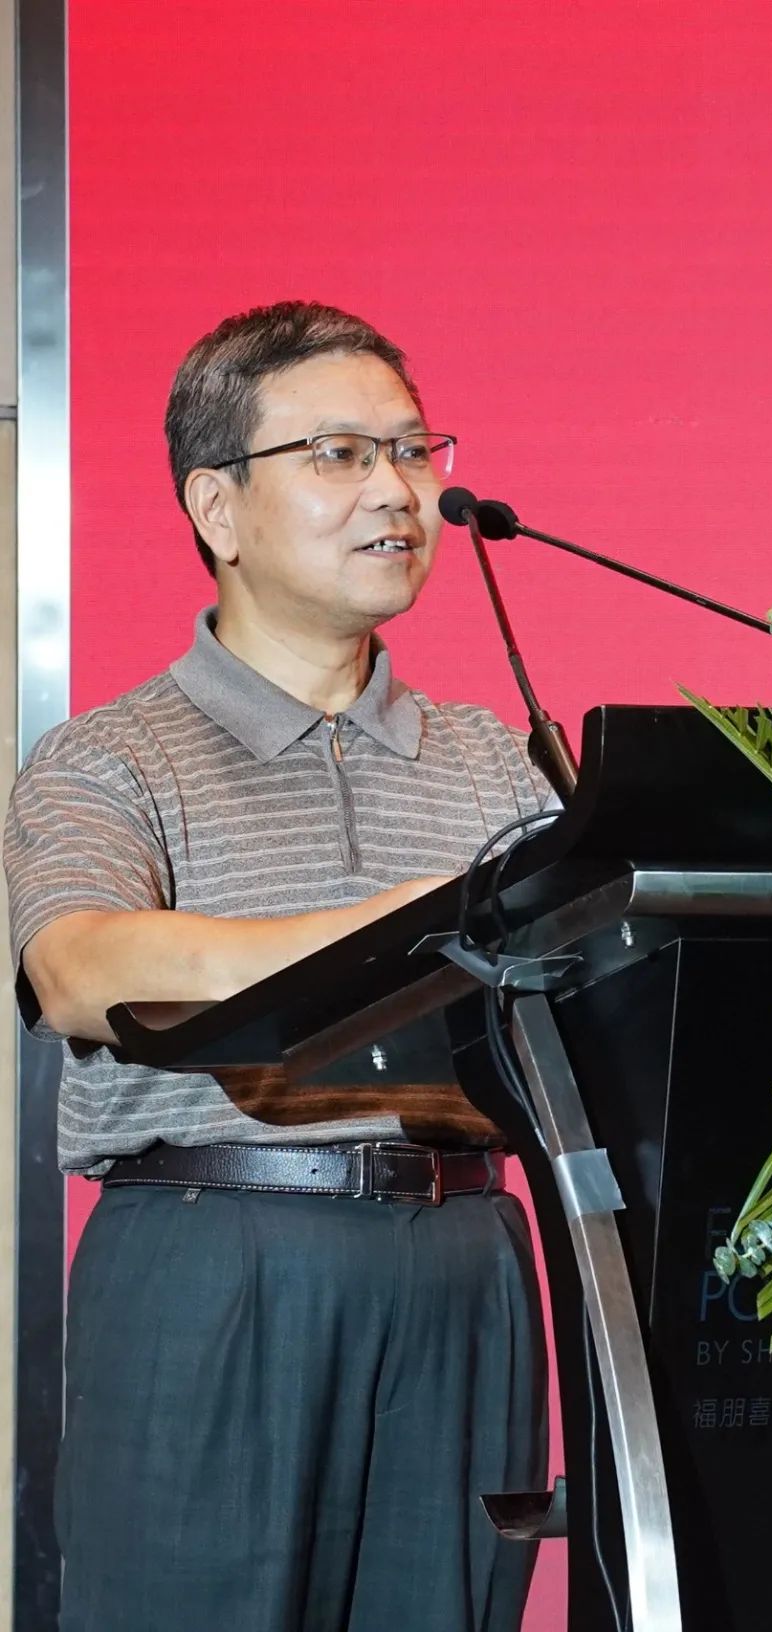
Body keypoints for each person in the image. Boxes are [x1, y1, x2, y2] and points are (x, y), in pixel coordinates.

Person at [4, 301, 551, 1632]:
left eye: (413, 450)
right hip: (219, 1260)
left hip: (466, 1258)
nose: (398, 491)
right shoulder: (110, 757)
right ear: (219, 506)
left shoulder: (492, 758)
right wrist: (421, 923)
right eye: (340, 454)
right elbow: (80, 970)